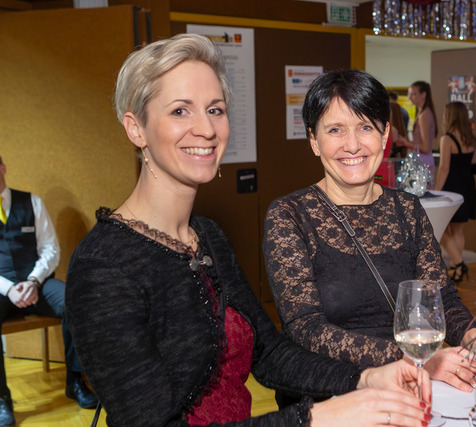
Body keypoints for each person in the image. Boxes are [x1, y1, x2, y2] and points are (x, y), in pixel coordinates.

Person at [65, 34, 431, 427]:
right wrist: (315, 417)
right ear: (136, 129)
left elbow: (269, 354)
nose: (206, 128)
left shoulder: (207, 236)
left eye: (215, 109)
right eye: (180, 111)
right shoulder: (103, 266)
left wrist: (364, 378)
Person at [263, 70, 476, 410]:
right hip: (331, 397)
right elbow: (305, 328)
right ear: (314, 140)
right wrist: (416, 358)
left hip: (410, 389)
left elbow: (443, 299)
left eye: (365, 127)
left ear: (384, 135)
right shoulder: (290, 215)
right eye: (335, 130)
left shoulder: (408, 209)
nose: (352, 145)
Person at [0, 155, 97, 426]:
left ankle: (75, 381)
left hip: (37, 283)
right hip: (3, 288)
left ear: (3, 167)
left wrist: (33, 281)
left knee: (75, 301)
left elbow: (51, 249)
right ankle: (2, 399)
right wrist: (10, 289)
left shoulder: (32, 202)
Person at [435, 102, 476, 283]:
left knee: (441, 228)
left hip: (451, 187)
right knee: (458, 230)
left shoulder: (447, 139)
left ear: (450, 116)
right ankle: (457, 267)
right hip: (468, 186)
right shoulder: (471, 138)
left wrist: (436, 191)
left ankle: (458, 263)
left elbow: (444, 168)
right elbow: (475, 161)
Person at [396, 81, 438, 171]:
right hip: (422, 161)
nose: (410, 97)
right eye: (409, 94)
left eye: (413, 94)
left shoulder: (424, 115)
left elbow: (425, 148)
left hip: (423, 162)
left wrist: (407, 143)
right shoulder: (422, 113)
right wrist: (406, 142)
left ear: (423, 95)